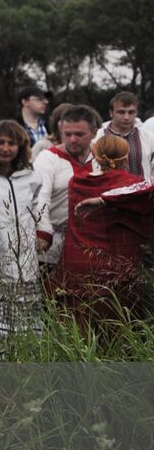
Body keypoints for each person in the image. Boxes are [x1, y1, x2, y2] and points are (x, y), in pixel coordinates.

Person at [52, 135, 154, 326]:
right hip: (117, 266)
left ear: (95, 156)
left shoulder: (76, 181)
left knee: (78, 329)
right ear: (126, 158)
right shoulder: (133, 184)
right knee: (116, 330)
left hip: (78, 264)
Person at [0, 120, 45, 348]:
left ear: (21, 146)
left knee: (24, 331)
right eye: (0, 142)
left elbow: (36, 211)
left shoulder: (32, 176)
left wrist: (41, 235)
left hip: (25, 260)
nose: (5, 148)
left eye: (11, 143)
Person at [33, 105, 99, 268]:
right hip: (54, 242)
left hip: (93, 243)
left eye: (79, 134)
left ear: (94, 132)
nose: (72, 139)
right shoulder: (47, 158)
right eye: (67, 134)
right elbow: (40, 197)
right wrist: (43, 230)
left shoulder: (102, 158)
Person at [96, 91, 154, 179]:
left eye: (131, 112)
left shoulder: (149, 138)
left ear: (136, 113)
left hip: (141, 191)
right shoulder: (97, 137)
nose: (126, 117)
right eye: (121, 112)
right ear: (111, 112)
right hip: (106, 190)